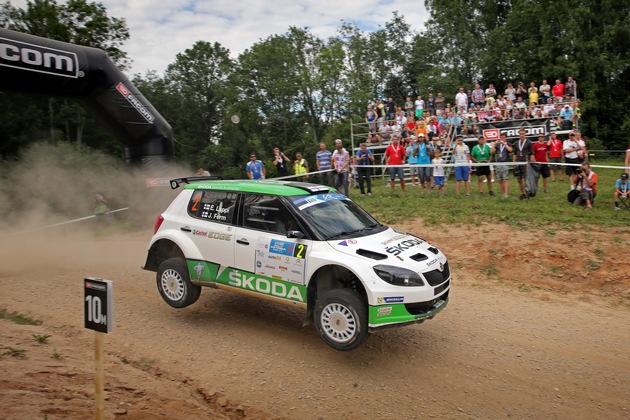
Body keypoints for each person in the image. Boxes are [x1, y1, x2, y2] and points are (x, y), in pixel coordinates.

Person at [512, 128, 534, 199]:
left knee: (526, 179)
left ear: (525, 134)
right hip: (518, 162)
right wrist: (514, 163)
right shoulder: (516, 143)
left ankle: (528, 193)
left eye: (523, 134)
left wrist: (531, 163)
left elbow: (531, 154)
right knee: (519, 179)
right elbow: (515, 154)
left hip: (525, 163)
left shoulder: (528, 143)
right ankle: (522, 193)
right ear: (519, 134)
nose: (522, 135)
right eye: (520, 134)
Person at [492, 133, 513, 198]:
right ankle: (503, 193)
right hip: (498, 163)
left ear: (506, 138)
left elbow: (510, 150)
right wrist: (494, 144)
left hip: (505, 163)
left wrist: (504, 143)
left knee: (505, 179)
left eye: (503, 137)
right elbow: (492, 152)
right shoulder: (498, 145)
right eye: (501, 137)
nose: (502, 139)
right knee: (499, 180)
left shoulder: (508, 144)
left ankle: (506, 194)